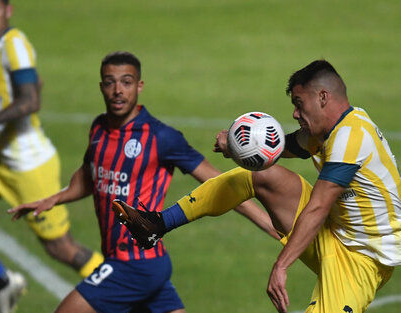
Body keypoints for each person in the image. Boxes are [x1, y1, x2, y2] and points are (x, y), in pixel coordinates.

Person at [112, 60, 401, 313]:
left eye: (299, 104)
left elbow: (318, 208)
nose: (295, 114)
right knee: (261, 175)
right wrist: (236, 147)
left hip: (363, 259)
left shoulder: (351, 137)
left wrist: (282, 265)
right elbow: (280, 148)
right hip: (334, 229)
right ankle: (158, 223)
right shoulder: (329, 129)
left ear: (323, 97)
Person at [8, 51, 277, 313]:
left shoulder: (162, 138)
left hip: (135, 264)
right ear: (101, 86)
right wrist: (54, 198)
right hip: (144, 263)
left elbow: (223, 185)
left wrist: (270, 225)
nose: (118, 91)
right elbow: (92, 177)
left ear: (139, 86)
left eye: (126, 82)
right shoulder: (99, 128)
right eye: (110, 82)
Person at [0, 1, 103, 312]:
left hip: (29, 166)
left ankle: (127, 291)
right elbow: (32, 85)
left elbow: (30, 100)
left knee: (61, 248)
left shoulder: (14, 45)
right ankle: (5, 282)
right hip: (2, 161)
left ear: (8, 10)